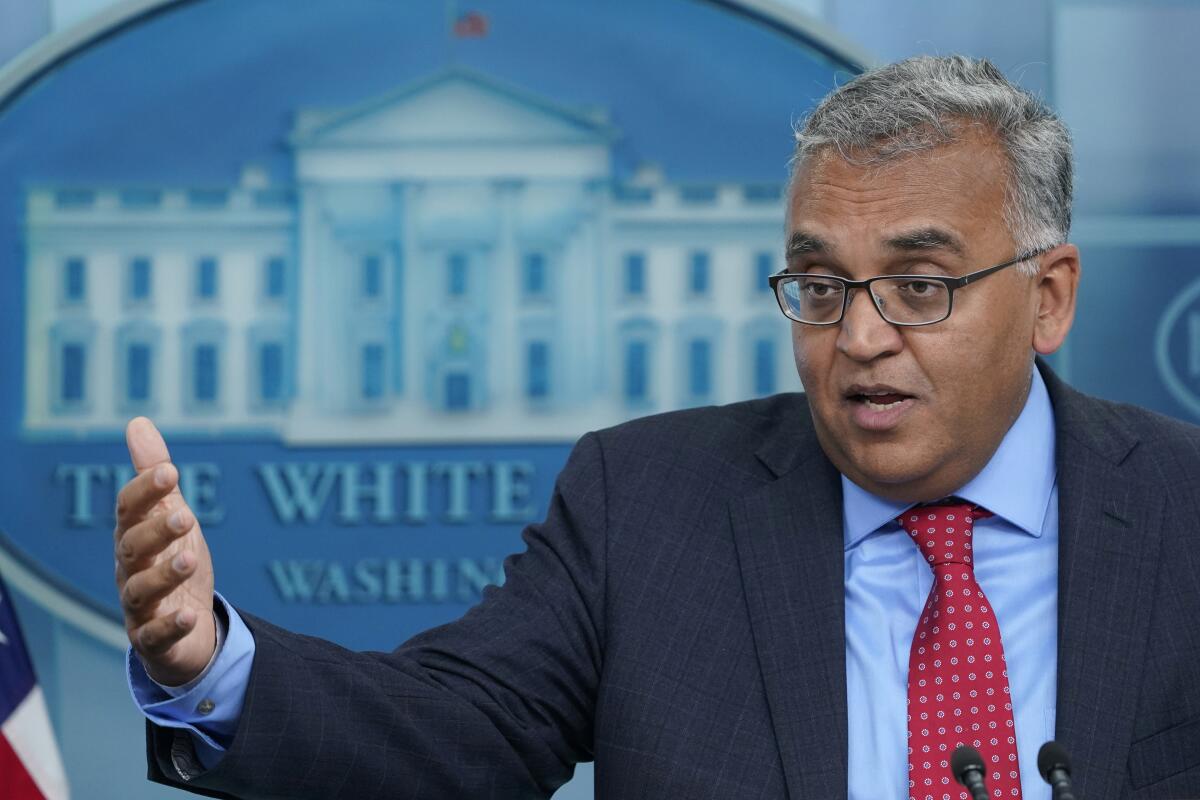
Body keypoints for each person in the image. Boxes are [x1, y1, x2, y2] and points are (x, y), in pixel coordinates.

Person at [114, 55, 1200, 799]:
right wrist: (211, 661)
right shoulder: (646, 502)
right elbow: (451, 726)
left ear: (1048, 297)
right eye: (820, 287)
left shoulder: (1183, 510)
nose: (860, 338)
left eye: (918, 286)